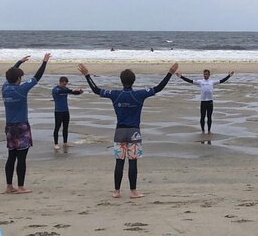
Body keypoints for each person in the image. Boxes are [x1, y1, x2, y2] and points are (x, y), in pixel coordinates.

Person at [77, 62, 178, 198]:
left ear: (121, 80)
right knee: (133, 161)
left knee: (119, 162)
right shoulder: (139, 95)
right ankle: (133, 191)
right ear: (134, 81)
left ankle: (117, 191)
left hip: (119, 132)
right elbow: (158, 88)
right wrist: (170, 73)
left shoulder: (115, 94)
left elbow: (96, 90)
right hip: (134, 132)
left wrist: (87, 75)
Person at [2, 54, 51, 194]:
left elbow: (9, 75)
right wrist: (44, 62)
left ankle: (9, 186)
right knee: (21, 158)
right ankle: (21, 187)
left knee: (11, 156)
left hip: (9, 127)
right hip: (21, 127)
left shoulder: (4, 88)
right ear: (18, 79)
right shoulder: (21, 89)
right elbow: (37, 77)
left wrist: (18, 63)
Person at [177, 69, 234, 134]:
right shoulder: (200, 82)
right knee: (202, 117)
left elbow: (222, 81)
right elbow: (190, 81)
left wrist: (229, 76)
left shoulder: (212, 82)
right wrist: (181, 76)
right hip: (203, 102)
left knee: (209, 117)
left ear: (209, 75)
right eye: (204, 74)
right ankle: (203, 130)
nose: (205, 75)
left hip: (210, 102)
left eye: (206, 74)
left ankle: (209, 130)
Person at [52, 77, 84, 150]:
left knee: (66, 127)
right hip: (58, 111)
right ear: (60, 82)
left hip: (66, 111)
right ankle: (56, 144)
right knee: (57, 127)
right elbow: (61, 92)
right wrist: (72, 90)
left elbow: (72, 92)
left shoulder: (65, 89)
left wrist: (79, 92)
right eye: (63, 84)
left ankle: (65, 142)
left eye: (65, 84)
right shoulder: (56, 89)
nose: (64, 85)